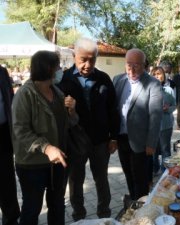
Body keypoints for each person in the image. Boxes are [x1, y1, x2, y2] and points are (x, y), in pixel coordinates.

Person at [11, 50, 77, 225]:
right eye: (57, 66)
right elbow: (20, 131)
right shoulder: (25, 94)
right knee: (32, 208)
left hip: (57, 163)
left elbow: (69, 125)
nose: (60, 70)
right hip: (32, 165)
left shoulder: (57, 92)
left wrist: (72, 112)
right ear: (48, 69)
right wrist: (47, 148)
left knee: (57, 205)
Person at [58, 37, 119, 221]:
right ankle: (79, 217)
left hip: (100, 141)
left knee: (101, 180)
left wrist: (114, 137)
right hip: (75, 142)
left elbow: (113, 109)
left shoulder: (103, 78)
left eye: (92, 59)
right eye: (83, 59)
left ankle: (104, 215)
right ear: (74, 56)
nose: (87, 64)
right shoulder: (64, 80)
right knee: (76, 182)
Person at [113, 48, 163, 200]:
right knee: (128, 174)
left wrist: (151, 143)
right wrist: (112, 137)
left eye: (137, 65)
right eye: (129, 64)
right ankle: (134, 203)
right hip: (122, 138)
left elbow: (156, 116)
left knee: (140, 179)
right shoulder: (117, 80)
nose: (132, 69)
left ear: (144, 65)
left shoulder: (153, 84)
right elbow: (113, 109)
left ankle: (142, 209)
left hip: (141, 142)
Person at [0, 65, 20, 225]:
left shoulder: (2, 71)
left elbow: (10, 99)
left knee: (6, 180)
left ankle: (11, 218)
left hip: (3, 134)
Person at [151, 66, 176, 175]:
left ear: (163, 76)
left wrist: (168, 109)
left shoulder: (169, 90)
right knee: (153, 151)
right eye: (155, 74)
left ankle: (165, 172)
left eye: (159, 74)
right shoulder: (148, 90)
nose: (157, 76)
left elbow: (174, 105)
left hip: (166, 125)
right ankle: (154, 169)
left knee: (165, 150)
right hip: (152, 126)